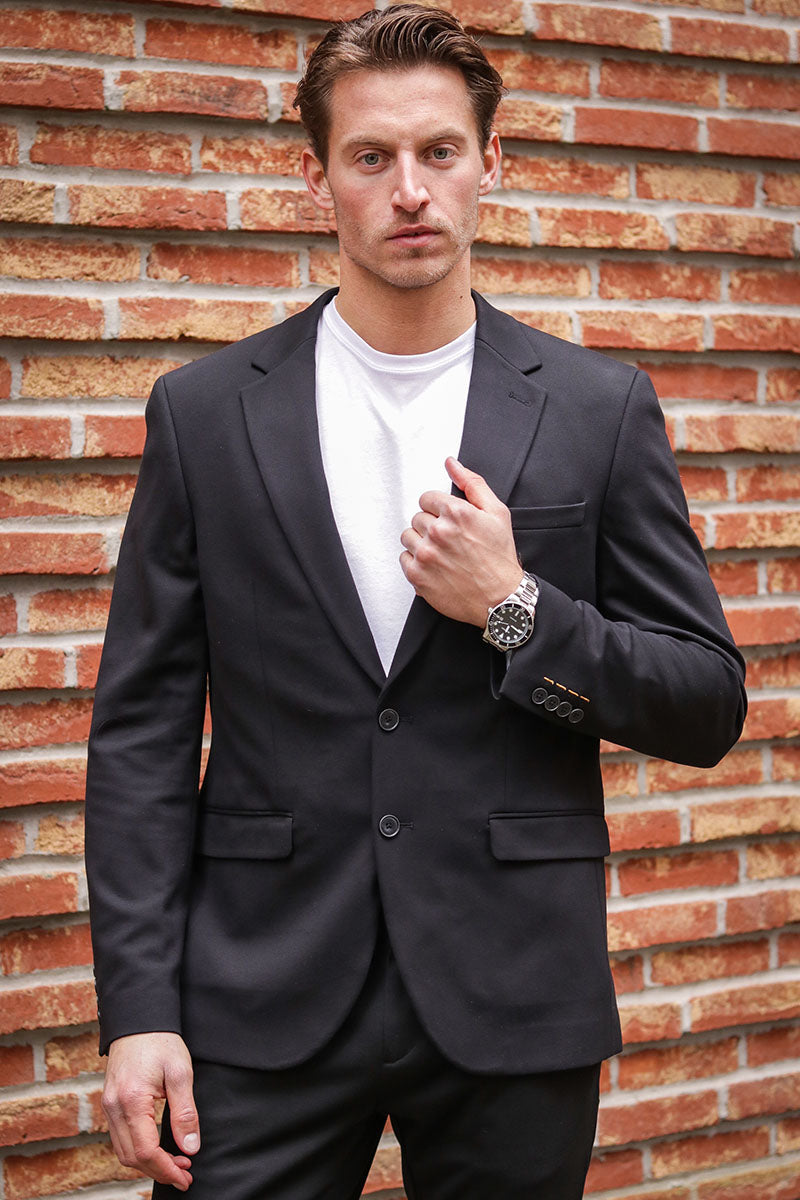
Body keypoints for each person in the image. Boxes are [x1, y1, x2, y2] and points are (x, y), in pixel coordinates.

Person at [84, 6, 747, 1198]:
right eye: (370, 156)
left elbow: (704, 704)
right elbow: (140, 733)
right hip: (261, 995)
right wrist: (138, 1008)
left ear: (490, 161)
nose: (408, 190)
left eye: (439, 151)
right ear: (315, 177)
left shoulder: (596, 408)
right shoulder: (205, 413)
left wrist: (514, 608)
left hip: (513, 991)